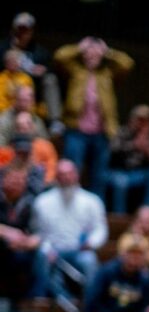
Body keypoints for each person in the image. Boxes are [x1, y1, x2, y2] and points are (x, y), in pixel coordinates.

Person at [54, 37, 133, 194]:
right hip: (76, 130)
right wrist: (80, 47)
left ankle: (95, 208)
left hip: (102, 132)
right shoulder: (77, 70)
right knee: (71, 169)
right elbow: (60, 56)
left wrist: (107, 51)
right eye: (89, 54)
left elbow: (127, 63)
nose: (92, 57)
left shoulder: (106, 74)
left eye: (96, 55)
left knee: (98, 176)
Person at [30, 159, 107, 300]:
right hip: (53, 249)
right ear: (56, 177)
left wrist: (91, 242)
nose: (66, 177)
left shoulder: (92, 201)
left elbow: (100, 229)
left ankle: (90, 302)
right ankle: (40, 299)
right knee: (41, 256)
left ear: (76, 175)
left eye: (69, 173)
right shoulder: (42, 201)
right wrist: (47, 248)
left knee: (89, 261)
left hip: (80, 250)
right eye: (62, 174)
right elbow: (38, 233)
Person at [0, 13, 61, 133]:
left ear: (32, 32)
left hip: (32, 94)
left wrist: (43, 71)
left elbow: (52, 67)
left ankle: (55, 121)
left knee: (50, 79)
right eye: (20, 29)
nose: (22, 33)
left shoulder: (39, 51)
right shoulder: (3, 47)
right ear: (13, 29)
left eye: (26, 30)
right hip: (7, 93)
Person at [107, 104, 149, 214]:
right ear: (132, 119)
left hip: (139, 174)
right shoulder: (121, 133)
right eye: (139, 120)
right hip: (118, 172)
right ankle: (120, 217)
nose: (141, 124)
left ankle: (148, 213)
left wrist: (148, 152)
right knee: (120, 182)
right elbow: (112, 151)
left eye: (146, 121)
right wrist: (133, 145)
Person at [0, 163, 44, 299]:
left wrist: (28, 243)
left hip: (19, 250)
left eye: (20, 181)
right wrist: (6, 232)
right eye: (13, 179)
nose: (16, 183)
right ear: (3, 181)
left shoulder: (30, 204)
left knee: (40, 256)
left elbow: (38, 233)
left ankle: (35, 301)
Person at [0, 113, 57, 184]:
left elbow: (51, 171)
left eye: (28, 125)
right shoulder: (6, 150)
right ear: (14, 129)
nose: (24, 129)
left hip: (40, 187)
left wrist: (41, 185)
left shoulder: (45, 146)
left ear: (33, 127)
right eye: (19, 126)